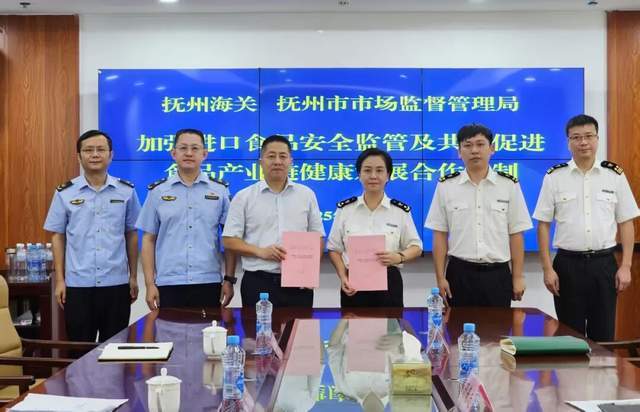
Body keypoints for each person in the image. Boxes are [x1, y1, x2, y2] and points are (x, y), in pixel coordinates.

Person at [533, 114, 639, 341]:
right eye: (576, 137)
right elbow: (543, 225)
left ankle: (604, 367)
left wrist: (626, 266)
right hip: (567, 266)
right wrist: (547, 268)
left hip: (604, 265)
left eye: (589, 136)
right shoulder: (555, 177)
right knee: (569, 337)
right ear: (568, 142)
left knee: (604, 335)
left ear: (597, 139)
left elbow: (626, 222)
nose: (583, 142)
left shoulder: (614, 175)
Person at [43, 129, 140, 342]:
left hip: (116, 284)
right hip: (78, 285)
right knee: (79, 349)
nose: (95, 154)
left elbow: (132, 234)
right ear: (79, 156)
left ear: (111, 155)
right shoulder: (65, 193)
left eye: (100, 150)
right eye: (88, 150)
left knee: (114, 349)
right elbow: (57, 236)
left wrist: (133, 277)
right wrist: (60, 280)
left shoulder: (126, 191)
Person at [425, 123, 532, 307]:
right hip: (459, 273)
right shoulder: (446, 186)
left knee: (497, 325)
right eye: (467, 145)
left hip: (497, 275)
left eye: (480, 144)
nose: (474, 150)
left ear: (492, 148)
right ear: (459, 152)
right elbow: (440, 234)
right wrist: (440, 278)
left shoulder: (508, 185)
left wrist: (518, 276)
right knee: (458, 325)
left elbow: (516, 234)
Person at [136, 128, 235, 310]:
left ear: (204, 154)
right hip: (168, 282)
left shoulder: (220, 191)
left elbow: (230, 239)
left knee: (208, 329)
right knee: (168, 328)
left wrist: (229, 279)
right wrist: (149, 284)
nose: (189, 153)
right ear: (174, 153)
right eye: (183, 148)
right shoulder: (158, 191)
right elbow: (148, 240)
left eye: (195, 148)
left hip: (208, 281)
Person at [222, 134, 325, 308]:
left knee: (300, 327)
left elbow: (318, 237)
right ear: (261, 162)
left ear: (290, 161)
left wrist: (310, 271)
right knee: (257, 327)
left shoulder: (306, 195)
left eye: (283, 156)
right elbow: (229, 240)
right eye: (271, 156)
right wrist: (261, 252)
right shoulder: (244, 197)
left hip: (299, 283)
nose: (277, 161)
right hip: (258, 281)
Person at [327, 148, 422, 307]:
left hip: (389, 282)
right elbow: (334, 249)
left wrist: (398, 257)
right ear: (359, 174)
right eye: (367, 170)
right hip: (353, 284)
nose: (373, 176)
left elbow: (416, 247)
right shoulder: (345, 210)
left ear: (388, 175)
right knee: (353, 323)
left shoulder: (399, 211)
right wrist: (343, 276)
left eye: (379, 170)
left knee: (391, 324)